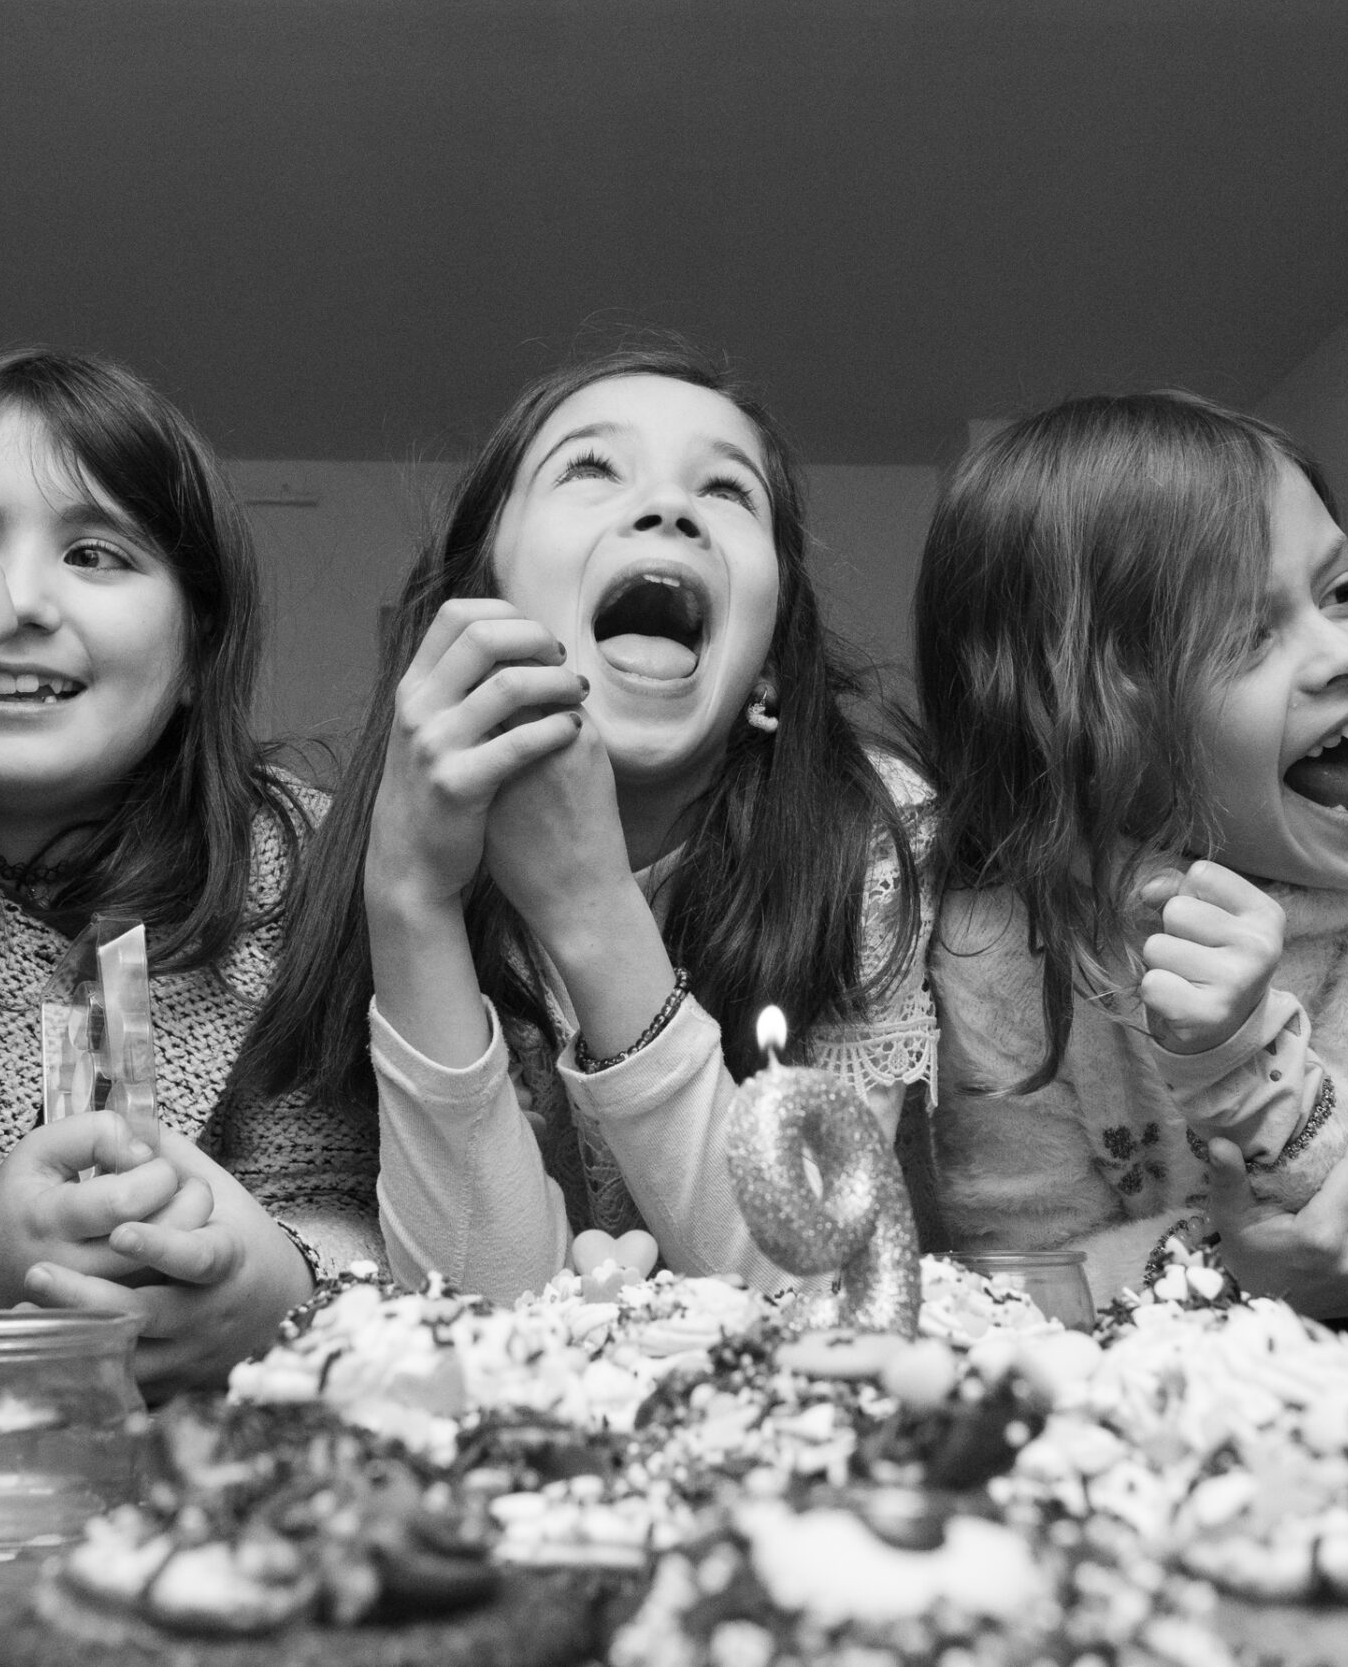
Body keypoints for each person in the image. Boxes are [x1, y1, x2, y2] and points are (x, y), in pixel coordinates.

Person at [231, 344, 934, 1297]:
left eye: (727, 492)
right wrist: (413, 897)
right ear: (478, 601)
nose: (669, 508)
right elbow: (477, 1304)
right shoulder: (331, 848)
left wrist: (589, 907)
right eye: (591, 468)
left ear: (770, 663)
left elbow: (827, 1284)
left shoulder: (872, 841)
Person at [918, 391, 1348, 1357]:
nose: (1347, 654)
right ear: (1087, 725)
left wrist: (1244, 1063)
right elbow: (1018, 1298)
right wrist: (1238, 1274)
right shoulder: (1008, 935)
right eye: (1242, 638)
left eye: (1342, 591)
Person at [0, 347, 375, 1391]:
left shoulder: (312, 873)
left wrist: (293, 1287)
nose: (17, 599)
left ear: (201, 642)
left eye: (97, 554)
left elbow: (387, 1220)